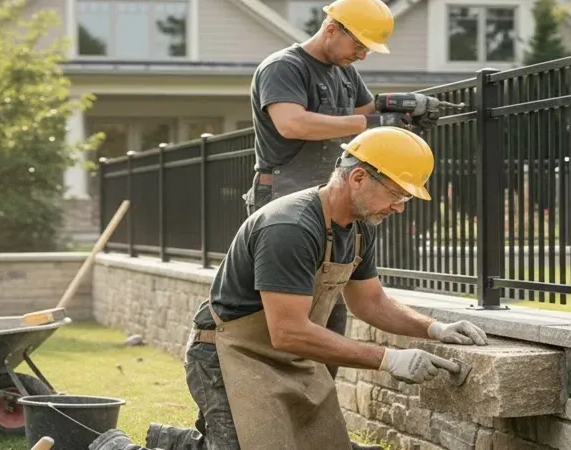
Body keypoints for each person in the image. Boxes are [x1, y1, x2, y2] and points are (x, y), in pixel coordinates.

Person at [123, 127, 487, 450]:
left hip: (288, 355)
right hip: (227, 353)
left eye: (406, 197)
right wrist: (389, 360)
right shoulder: (291, 227)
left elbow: (371, 302)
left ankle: (176, 442)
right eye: (396, 193)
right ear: (358, 177)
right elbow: (288, 332)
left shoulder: (360, 227)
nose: (399, 207)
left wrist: (433, 328)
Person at [241, 0, 415, 393]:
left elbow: (371, 123)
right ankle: (250, 408)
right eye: (360, 43)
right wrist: (372, 120)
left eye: (369, 48)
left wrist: (400, 111)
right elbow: (291, 123)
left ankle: (317, 413)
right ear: (333, 27)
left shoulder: (346, 73)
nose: (363, 54)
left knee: (331, 305)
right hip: (282, 194)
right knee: (277, 308)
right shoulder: (284, 67)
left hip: (330, 200)